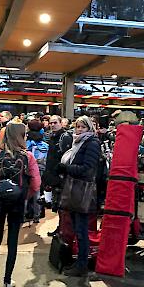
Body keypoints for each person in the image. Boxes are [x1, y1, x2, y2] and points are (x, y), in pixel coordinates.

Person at [0, 123, 40, 287]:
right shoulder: (28, 156)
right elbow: (36, 183)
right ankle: (7, 282)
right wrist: (23, 195)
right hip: (17, 202)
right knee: (12, 240)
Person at [57, 115, 101, 277]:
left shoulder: (92, 143)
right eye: (78, 127)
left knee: (81, 229)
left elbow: (88, 169)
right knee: (77, 228)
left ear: (89, 128)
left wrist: (66, 168)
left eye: (83, 127)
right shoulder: (78, 142)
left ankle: (82, 264)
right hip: (76, 189)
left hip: (83, 191)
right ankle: (79, 262)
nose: (79, 130)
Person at [26, 119, 49, 223]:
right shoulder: (44, 143)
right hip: (41, 168)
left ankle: (23, 215)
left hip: (28, 168)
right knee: (37, 192)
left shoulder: (27, 142)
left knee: (25, 192)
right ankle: (37, 215)